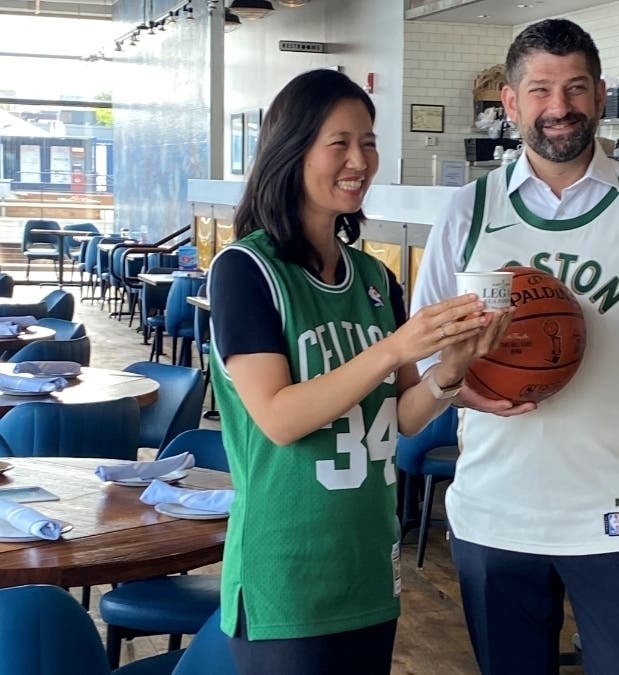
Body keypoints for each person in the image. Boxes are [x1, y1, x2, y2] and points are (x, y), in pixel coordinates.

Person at [411, 19, 619, 675]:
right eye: (539, 90)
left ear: (598, 95)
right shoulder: (468, 211)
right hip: (494, 508)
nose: (558, 107)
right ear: (511, 103)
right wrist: (468, 383)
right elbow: (427, 354)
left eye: (575, 88)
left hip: (618, 510)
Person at [207, 69, 509, 675]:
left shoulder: (375, 280)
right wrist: (394, 349)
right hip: (285, 573)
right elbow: (279, 418)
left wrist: (450, 371)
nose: (359, 160)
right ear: (292, 151)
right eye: (339, 143)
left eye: (368, 142)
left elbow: (397, 418)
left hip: (369, 565)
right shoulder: (245, 271)